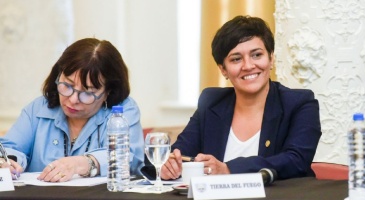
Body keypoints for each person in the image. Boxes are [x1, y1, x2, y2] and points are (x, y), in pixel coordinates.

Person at [161, 16, 321, 180]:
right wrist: (169, 165)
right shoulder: (211, 102)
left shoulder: (300, 103)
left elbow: (296, 160)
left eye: (257, 55)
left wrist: (229, 169)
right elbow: (180, 152)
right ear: (223, 69)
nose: (248, 66)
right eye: (236, 59)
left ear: (271, 59)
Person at [0, 38, 144, 182]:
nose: (73, 99)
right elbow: (11, 148)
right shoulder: (38, 108)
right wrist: (8, 162)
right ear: (58, 76)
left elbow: (129, 158)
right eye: (67, 86)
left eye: (87, 93)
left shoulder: (123, 111)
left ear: (108, 92)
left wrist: (84, 163)